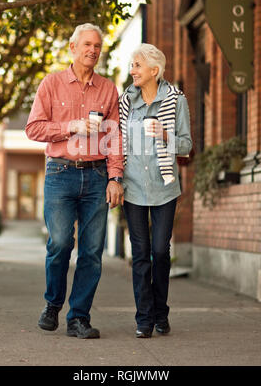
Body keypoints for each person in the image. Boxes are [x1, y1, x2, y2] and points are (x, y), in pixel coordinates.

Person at [26, 23, 124, 339]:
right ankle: (52, 304)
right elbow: (34, 129)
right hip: (60, 173)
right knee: (60, 244)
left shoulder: (108, 89)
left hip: (96, 177)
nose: (92, 50)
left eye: (97, 46)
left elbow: (115, 138)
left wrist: (115, 177)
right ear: (72, 47)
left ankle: (78, 317)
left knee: (92, 251)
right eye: (87, 45)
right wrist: (70, 127)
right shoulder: (51, 84)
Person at [119, 43, 192, 338]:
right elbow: (117, 143)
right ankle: (144, 318)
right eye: (131, 65)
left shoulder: (176, 101)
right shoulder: (126, 102)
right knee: (140, 253)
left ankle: (161, 311)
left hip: (164, 186)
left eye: (137, 65)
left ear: (154, 70)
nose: (132, 71)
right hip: (133, 185)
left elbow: (187, 145)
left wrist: (166, 135)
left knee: (160, 251)